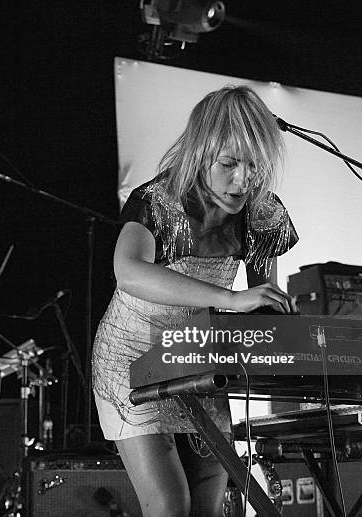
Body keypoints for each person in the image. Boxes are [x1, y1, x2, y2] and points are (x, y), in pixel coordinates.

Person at [92, 85, 299, 517]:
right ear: (201, 151)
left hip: (196, 357)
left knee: (210, 504)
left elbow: (261, 306)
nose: (244, 180)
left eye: (255, 166)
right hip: (130, 359)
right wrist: (230, 298)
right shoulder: (158, 200)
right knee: (170, 504)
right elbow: (128, 272)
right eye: (229, 163)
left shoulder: (263, 213)